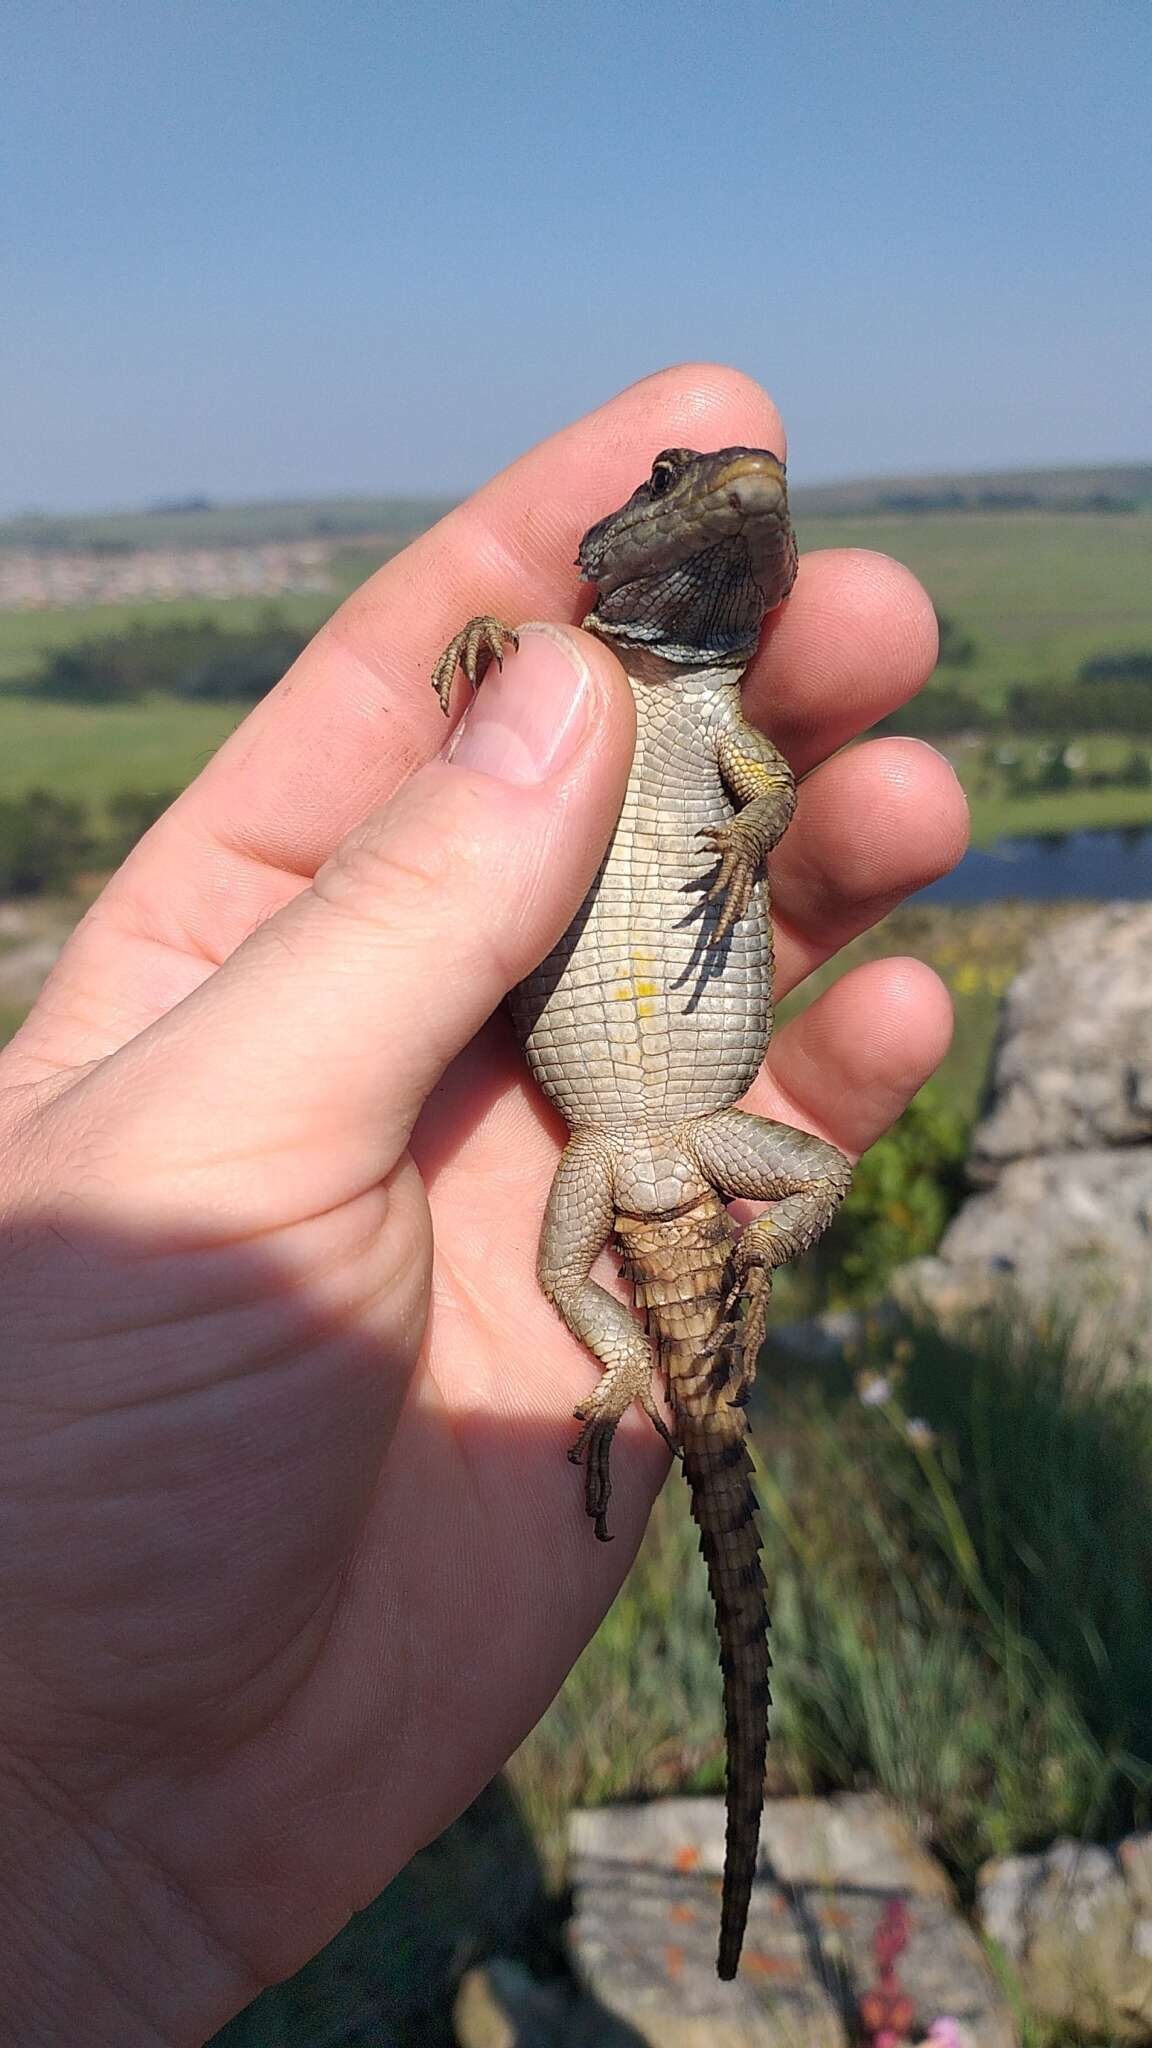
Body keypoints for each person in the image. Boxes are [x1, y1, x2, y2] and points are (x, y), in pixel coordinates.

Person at [0, 367, 967, 2044]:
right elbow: (512, 671)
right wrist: (617, 1348)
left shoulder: (725, 720)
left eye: (744, 492)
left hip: (683, 1146)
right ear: (614, 544)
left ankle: (659, 1344)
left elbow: (773, 790)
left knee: (815, 1166)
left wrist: (757, 844)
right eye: (678, 477)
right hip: (629, 1144)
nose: (724, 488)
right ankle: (610, 1366)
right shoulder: (573, 675)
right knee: (625, 1266)